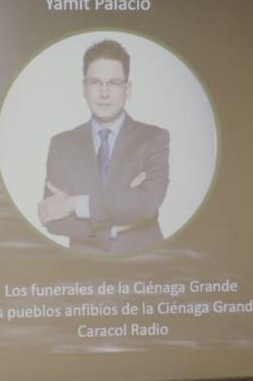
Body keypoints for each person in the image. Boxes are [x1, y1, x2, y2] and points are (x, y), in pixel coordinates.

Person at [37, 39, 169, 254]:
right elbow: (52, 218)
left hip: (145, 263)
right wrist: (113, 228)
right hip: (85, 267)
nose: (104, 93)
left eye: (114, 83)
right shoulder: (62, 144)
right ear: (84, 88)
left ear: (127, 89)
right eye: (95, 82)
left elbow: (146, 205)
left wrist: (74, 204)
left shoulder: (153, 138)